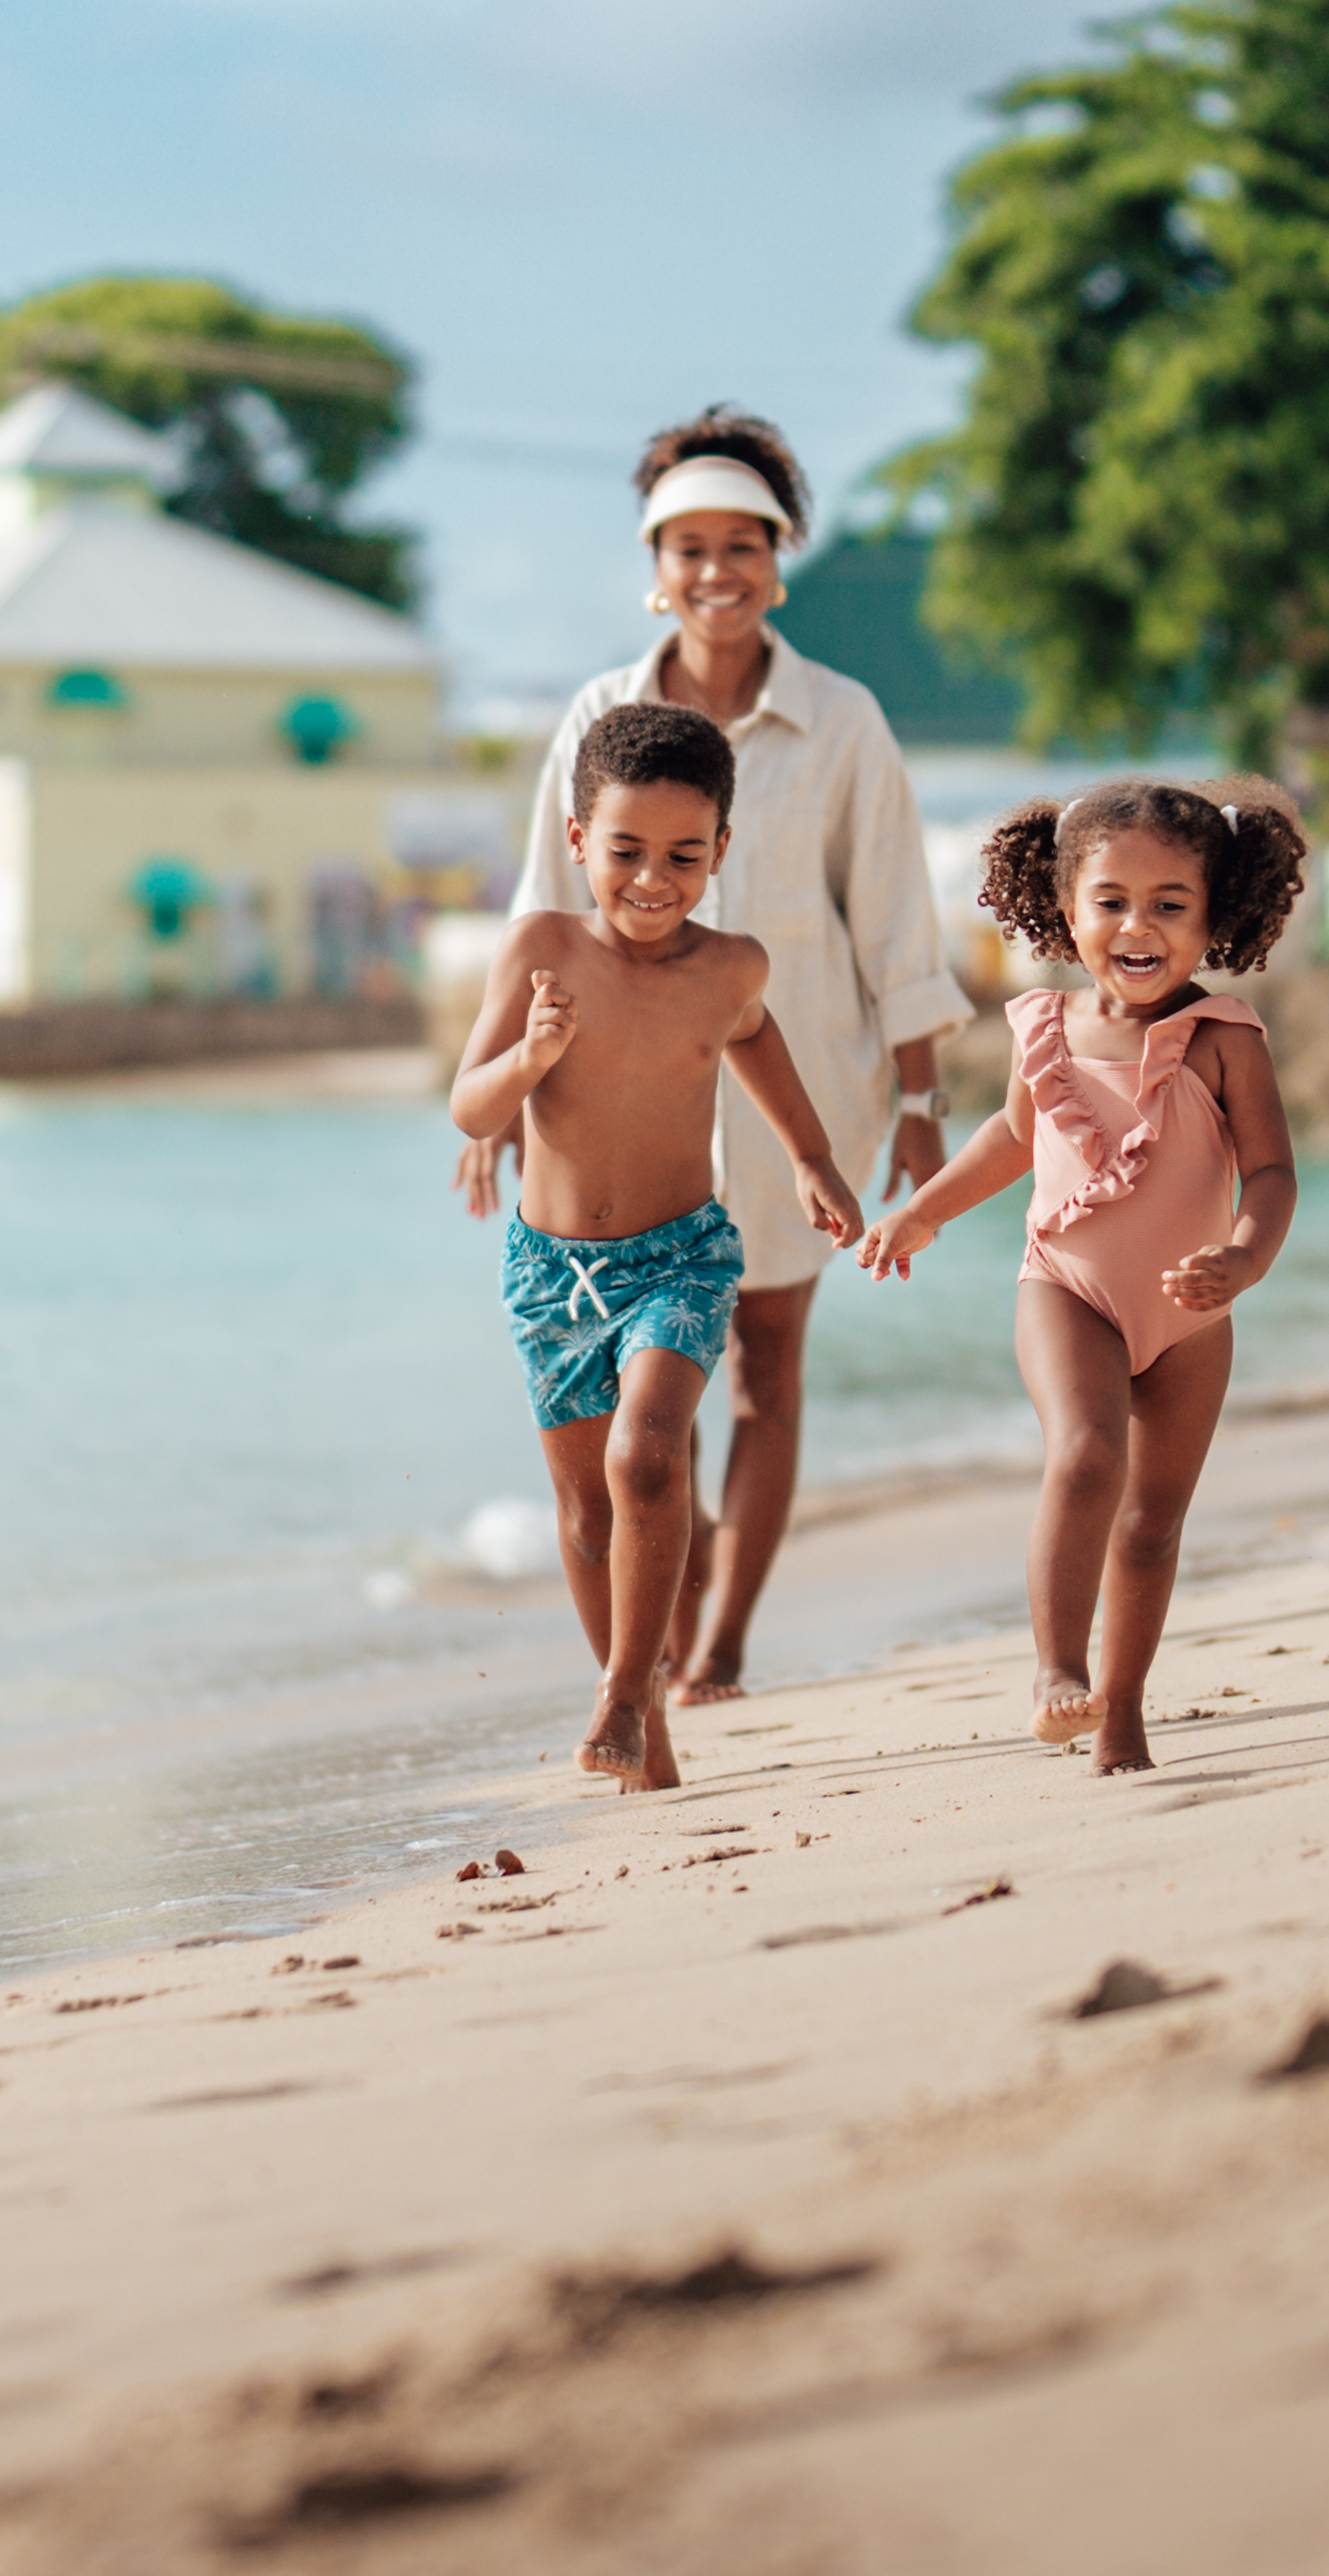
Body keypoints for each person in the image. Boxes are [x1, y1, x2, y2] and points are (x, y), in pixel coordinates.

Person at [463, 409, 966, 1702]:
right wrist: (497, 1113)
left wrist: (919, 1099)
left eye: (742, 543)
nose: (715, 570)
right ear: (654, 562)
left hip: (807, 1093)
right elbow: (539, 918)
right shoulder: (596, 712)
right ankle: (660, 1630)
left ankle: (724, 1638)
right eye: (688, 545)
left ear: (779, 557)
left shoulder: (842, 720)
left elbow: (898, 919)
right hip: (622, 1117)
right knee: (647, 1398)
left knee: (765, 1370)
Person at [452, 703, 865, 1793]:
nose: (651, 877)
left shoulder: (728, 966)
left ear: (721, 850)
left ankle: (628, 1691)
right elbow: (467, 1103)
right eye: (624, 849)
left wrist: (811, 1156)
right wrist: (530, 1060)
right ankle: (638, 1711)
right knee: (587, 1507)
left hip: (680, 1256)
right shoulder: (540, 946)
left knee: (647, 1455)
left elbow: (757, 1035)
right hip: (549, 1273)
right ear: (578, 836)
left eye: (684, 855)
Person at [857, 779, 1304, 1775]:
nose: (1135, 926)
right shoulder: (1043, 1027)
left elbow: (1271, 1171)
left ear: (1213, 913)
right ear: (1065, 911)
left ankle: (1122, 1710)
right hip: (1065, 1285)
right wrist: (919, 1210)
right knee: (1087, 1454)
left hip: (1194, 1319)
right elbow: (1012, 1137)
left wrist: (1242, 1256)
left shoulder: (1226, 1039)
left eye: (1168, 904)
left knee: (1150, 1523)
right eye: (1110, 901)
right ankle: (1056, 1668)